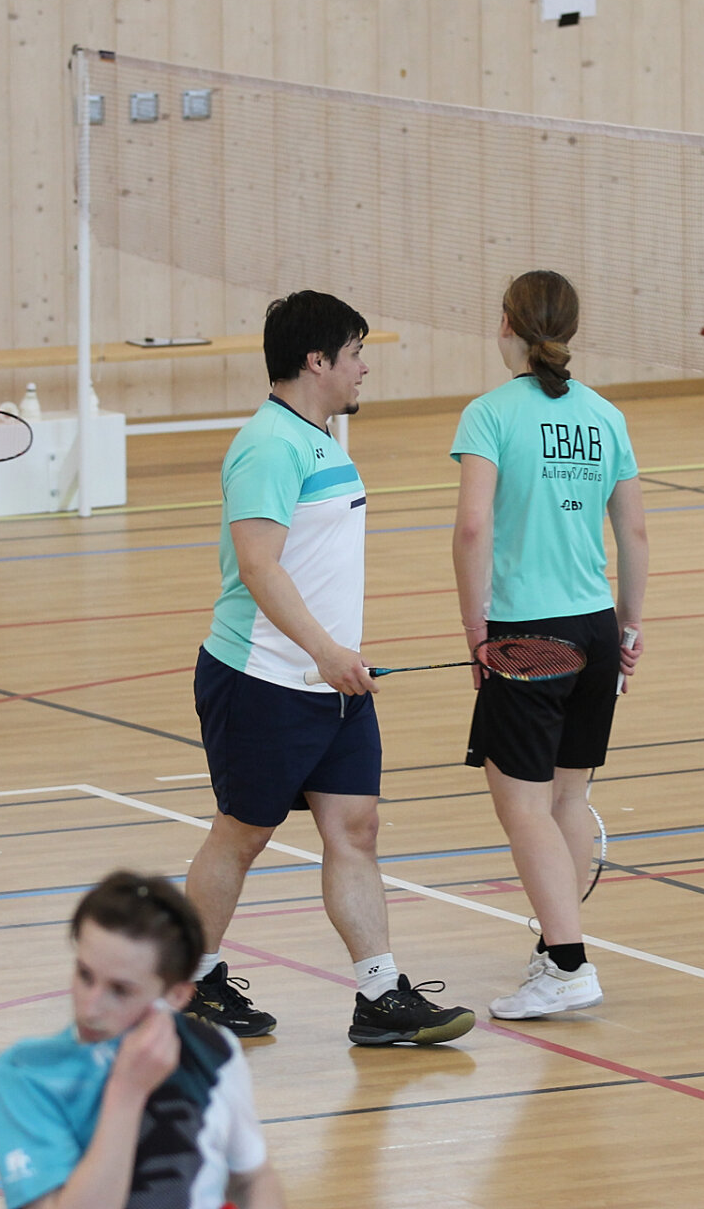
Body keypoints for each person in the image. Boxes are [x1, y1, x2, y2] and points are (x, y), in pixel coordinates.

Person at [180, 290, 473, 1047]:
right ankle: (192, 983)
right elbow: (258, 565)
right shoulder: (268, 446)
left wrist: (336, 655)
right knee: (242, 834)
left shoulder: (320, 441)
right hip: (263, 679)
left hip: (333, 680)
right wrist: (324, 650)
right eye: (354, 353)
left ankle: (379, 995)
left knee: (356, 828)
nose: (364, 368)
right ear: (317, 361)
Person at [451, 270, 649, 1019]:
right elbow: (634, 532)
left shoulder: (489, 415)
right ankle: (553, 948)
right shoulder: (605, 416)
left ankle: (567, 964)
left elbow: (473, 526)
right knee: (568, 798)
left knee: (524, 808)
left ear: (505, 324)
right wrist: (629, 626)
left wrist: (476, 629)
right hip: (595, 627)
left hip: (526, 633)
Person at [0, 872, 284, 1209]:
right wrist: (126, 1093)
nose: (91, 1008)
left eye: (121, 990)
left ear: (177, 995)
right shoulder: (27, 1075)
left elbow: (253, 1178)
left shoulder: (213, 1050)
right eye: (85, 975)